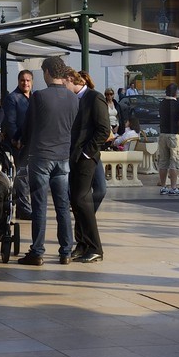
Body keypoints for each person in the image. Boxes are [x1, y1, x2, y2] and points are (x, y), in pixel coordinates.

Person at [16, 56, 77, 265]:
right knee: (62, 205)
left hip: (41, 155)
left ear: (48, 72)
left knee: (39, 205)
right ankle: (66, 251)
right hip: (63, 156)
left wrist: (21, 143)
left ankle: (38, 251)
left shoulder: (39, 96)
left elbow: (29, 126)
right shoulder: (73, 98)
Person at [67, 70, 110, 263]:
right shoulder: (73, 99)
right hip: (72, 157)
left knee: (81, 199)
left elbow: (103, 130)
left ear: (70, 80)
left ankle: (95, 247)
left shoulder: (95, 97)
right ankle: (82, 243)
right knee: (77, 201)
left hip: (86, 157)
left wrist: (86, 152)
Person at [7, 69, 34, 224]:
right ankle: (23, 208)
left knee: (28, 176)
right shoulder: (13, 98)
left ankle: (23, 206)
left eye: (28, 80)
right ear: (18, 81)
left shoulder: (34, 97)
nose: (25, 83)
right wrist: (15, 139)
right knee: (22, 176)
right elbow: (10, 121)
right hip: (19, 143)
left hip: (33, 143)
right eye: (23, 80)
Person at [157, 83, 179, 196]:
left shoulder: (161, 104)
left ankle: (163, 187)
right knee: (174, 161)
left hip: (162, 134)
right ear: (176, 93)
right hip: (174, 135)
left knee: (163, 162)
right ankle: (173, 187)